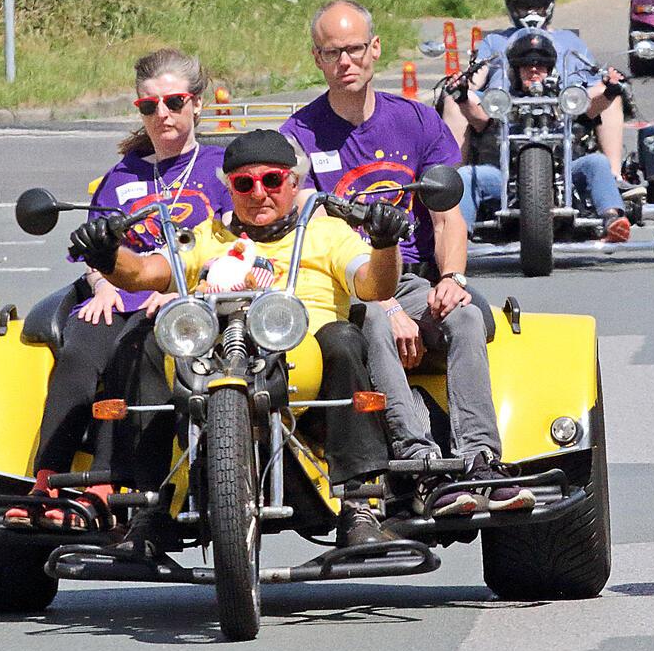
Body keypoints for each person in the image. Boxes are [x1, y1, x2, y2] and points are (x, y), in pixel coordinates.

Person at [68, 128, 411, 550]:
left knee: (343, 338)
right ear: (229, 187)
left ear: (294, 183)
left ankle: (359, 504)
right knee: (149, 340)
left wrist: (385, 242)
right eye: (244, 183)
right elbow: (142, 273)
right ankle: (151, 508)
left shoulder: (328, 233)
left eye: (271, 180)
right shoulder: (204, 236)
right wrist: (105, 254)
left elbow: (374, 284)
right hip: (210, 360)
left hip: (308, 366)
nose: (258, 193)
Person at [283, 0, 535, 516]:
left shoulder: (417, 121)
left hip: (415, 278)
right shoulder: (300, 136)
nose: (345, 62)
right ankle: (418, 462)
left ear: (374, 49)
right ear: (317, 59)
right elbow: (308, 233)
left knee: (465, 315)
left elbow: (447, 216)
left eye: (355, 49)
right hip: (344, 289)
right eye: (333, 52)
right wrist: (387, 303)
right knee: (375, 318)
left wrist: (452, 277)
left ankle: (481, 459)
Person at [5, 49, 230, 530]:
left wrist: (182, 290)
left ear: (196, 103)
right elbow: (92, 245)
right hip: (117, 296)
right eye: (149, 107)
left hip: (185, 305)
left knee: (138, 348)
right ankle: (44, 481)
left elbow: (238, 244)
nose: (162, 115)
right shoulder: (124, 174)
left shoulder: (221, 168)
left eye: (172, 102)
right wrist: (101, 284)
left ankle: (106, 486)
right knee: (80, 354)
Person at [441, 0, 633, 189]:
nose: (531, 12)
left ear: (549, 6)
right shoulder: (495, 40)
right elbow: (476, 77)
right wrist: (462, 87)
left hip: (564, 105)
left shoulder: (569, 40)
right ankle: (453, 181)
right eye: (524, 6)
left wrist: (610, 83)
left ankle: (614, 175)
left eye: (538, 6)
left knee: (612, 95)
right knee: (453, 99)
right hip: (502, 106)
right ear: (512, 7)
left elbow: (593, 76)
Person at [457, 29, 631, 242]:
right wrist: (462, 95)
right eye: (526, 65)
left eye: (540, 65)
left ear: (549, 69)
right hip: (505, 180)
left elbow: (591, 110)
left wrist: (610, 90)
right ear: (515, 69)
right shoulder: (501, 100)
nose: (533, 70)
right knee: (466, 175)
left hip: (565, 177)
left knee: (597, 162)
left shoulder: (566, 98)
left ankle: (612, 219)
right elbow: (478, 118)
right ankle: (457, 236)